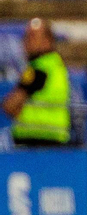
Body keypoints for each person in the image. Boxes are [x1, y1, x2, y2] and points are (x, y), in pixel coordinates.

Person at [4, 19, 71, 147]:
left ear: (47, 40)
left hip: (36, 140)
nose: (26, 41)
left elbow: (10, 105)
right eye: (26, 36)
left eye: (32, 36)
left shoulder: (40, 69)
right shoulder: (55, 64)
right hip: (54, 138)